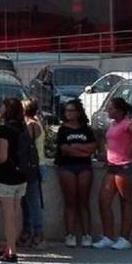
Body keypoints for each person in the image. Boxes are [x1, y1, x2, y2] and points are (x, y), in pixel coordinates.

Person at [93, 97, 132, 250]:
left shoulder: (127, 123)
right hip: (112, 166)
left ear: (120, 111)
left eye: (111, 109)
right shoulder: (113, 124)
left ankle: (124, 238)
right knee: (104, 200)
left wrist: (130, 151)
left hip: (126, 166)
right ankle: (108, 236)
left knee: (125, 201)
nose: (108, 111)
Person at [0, 98, 30, 264]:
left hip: (7, 177)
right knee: (17, 210)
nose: (0, 109)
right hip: (21, 176)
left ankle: (11, 251)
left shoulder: (4, 129)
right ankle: (11, 246)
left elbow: (2, 156)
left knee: (8, 215)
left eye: (2, 107)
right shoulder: (23, 127)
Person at [55, 99, 97, 248]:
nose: (69, 113)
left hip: (84, 167)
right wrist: (81, 150)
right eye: (67, 111)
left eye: (71, 110)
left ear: (78, 112)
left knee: (83, 202)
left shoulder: (86, 130)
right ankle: (70, 234)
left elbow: (92, 147)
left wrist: (77, 147)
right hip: (67, 166)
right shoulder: (63, 130)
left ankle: (87, 235)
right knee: (70, 202)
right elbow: (65, 149)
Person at [20, 98, 46, 250]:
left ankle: (37, 233)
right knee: (28, 201)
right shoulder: (36, 122)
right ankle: (29, 231)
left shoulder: (30, 125)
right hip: (37, 165)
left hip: (33, 167)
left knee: (32, 201)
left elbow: (26, 145)